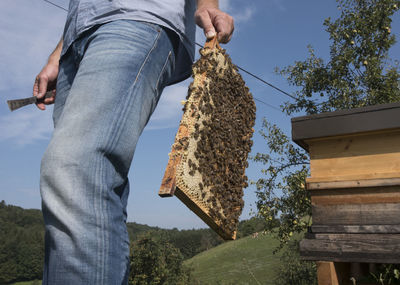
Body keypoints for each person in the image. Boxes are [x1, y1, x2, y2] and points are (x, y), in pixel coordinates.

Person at [32, 0, 234, 284]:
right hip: (75, 44)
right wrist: (57, 56)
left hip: (139, 18)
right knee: (79, 196)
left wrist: (208, 3)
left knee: (74, 168)